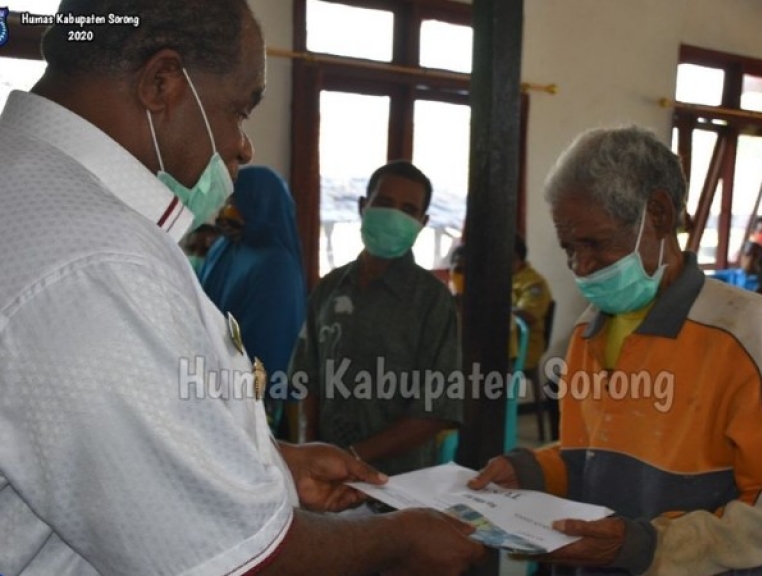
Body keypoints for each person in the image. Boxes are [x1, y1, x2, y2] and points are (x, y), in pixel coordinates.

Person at [0, 2, 485, 574]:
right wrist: (400, 540)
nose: (243, 146)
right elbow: (234, 561)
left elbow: (115, 449)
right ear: (162, 83)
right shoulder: (99, 264)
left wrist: (270, 461)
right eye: (240, 110)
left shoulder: (35, 194)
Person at [469, 126, 762, 575]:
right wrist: (533, 470)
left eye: (596, 244)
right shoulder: (591, 328)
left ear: (660, 215)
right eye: (569, 249)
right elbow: (593, 452)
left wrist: (646, 546)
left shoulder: (746, 334)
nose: (581, 267)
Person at [290, 160, 463, 476]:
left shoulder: (431, 301)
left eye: (408, 210)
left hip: (398, 482)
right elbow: (307, 379)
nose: (394, 216)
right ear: (362, 206)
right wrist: (310, 448)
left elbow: (436, 410)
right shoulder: (329, 289)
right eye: (384, 203)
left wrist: (351, 458)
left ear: (422, 222)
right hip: (326, 476)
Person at [200, 165, 306, 435]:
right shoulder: (226, 247)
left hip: (252, 392)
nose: (228, 210)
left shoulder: (275, 264)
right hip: (211, 382)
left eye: (239, 201)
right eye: (229, 199)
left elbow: (272, 344)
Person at [509, 233, 553, 373]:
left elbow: (527, 315)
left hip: (522, 348)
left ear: (517, 258)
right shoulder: (497, 278)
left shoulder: (533, 283)